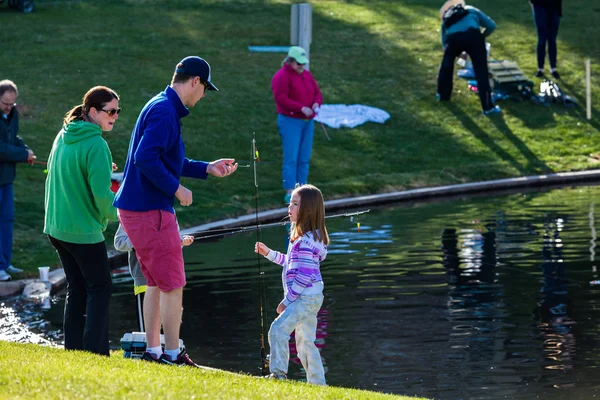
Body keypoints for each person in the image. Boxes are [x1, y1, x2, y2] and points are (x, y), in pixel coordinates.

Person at [113, 56, 238, 367]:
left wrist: (207, 168)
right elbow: (145, 158)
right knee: (173, 282)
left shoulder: (161, 105)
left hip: (137, 208)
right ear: (194, 81)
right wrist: (176, 188)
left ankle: (155, 352)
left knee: (156, 281)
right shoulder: (165, 111)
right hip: (150, 209)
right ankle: (172, 354)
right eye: (205, 88)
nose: (204, 95)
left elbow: (166, 159)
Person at [43, 86, 121, 356]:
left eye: (117, 111)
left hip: (57, 227)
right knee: (100, 287)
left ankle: (74, 350)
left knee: (77, 287)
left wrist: (101, 167)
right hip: (81, 231)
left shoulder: (64, 133)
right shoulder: (97, 144)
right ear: (92, 111)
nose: (114, 116)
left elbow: (67, 172)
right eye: (110, 111)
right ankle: (95, 353)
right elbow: (102, 197)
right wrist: (123, 215)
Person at [254, 184, 329, 385]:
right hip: (311, 297)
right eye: (290, 203)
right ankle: (318, 383)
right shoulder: (306, 239)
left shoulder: (305, 242)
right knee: (306, 343)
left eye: (295, 204)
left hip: (304, 298)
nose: (290, 208)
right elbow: (290, 263)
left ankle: (278, 375)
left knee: (278, 329)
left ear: (308, 210)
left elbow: (303, 276)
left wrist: (287, 302)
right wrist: (269, 253)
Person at [114, 222, 194, 333]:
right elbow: (119, 242)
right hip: (143, 279)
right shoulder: (130, 212)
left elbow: (172, 238)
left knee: (168, 326)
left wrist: (181, 241)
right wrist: (145, 240)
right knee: (146, 331)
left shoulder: (168, 210)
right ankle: (149, 349)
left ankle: (168, 349)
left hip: (167, 277)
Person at [271, 46, 322, 203]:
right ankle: (290, 192)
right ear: (290, 61)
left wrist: (315, 104)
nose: (302, 66)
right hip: (290, 121)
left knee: (304, 158)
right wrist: (300, 108)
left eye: (303, 63)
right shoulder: (281, 77)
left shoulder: (306, 75)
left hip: (308, 122)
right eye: (298, 63)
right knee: (291, 158)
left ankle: (303, 190)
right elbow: (281, 99)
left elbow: (317, 93)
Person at [436, 0, 501, 115]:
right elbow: (491, 25)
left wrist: (454, 52)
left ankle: (442, 95)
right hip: (473, 37)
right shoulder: (471, 10)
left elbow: (444, 41)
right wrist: (482, 36)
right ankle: (487, 107)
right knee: (481, 71)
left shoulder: (446, 17)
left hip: (453, 40)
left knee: (446, 67)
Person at [0, 80, 36, 282]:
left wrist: (26, 150)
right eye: (5, 103)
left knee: (6, 221)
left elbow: (12, 139)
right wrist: (22, 154)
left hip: (6, 179)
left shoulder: (12, 114)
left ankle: (5, 263)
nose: (9, 107)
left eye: (12, 103)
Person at [530, 0, 562, 79]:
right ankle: (540, 69)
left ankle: (553, 69)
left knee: (552, 40)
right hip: (539, 6)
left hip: (554, 7)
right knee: (542, 39)